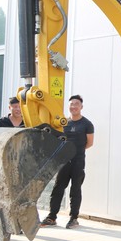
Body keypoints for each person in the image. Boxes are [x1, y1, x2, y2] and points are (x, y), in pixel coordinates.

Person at [41, 95, 94, 229]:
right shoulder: (64, 123)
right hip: (63, 162)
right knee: (58, 188)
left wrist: (76, 152)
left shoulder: (87, 124)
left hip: (78, 161)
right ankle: (52, 217)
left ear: (81, 107)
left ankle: (73, 218)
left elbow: (89, 143)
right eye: (71, 104)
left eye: (76, 104)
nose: (73, 106)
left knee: (75, 189)